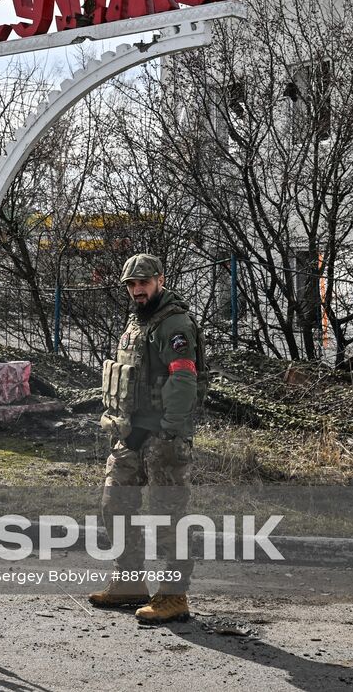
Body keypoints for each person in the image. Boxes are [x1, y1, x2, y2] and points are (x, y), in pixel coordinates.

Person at [88, 253, 206, 624]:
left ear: (160, 279)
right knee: (115, 502)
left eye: (144, 282)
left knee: (167, 515)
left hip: (163, 438)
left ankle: (173, 596)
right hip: (131, 433)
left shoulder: (174, 324)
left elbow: (183, 378)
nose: (137, 289)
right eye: (131, 284)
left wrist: (169, 429)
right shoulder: (139, 321)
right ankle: (129, 581)